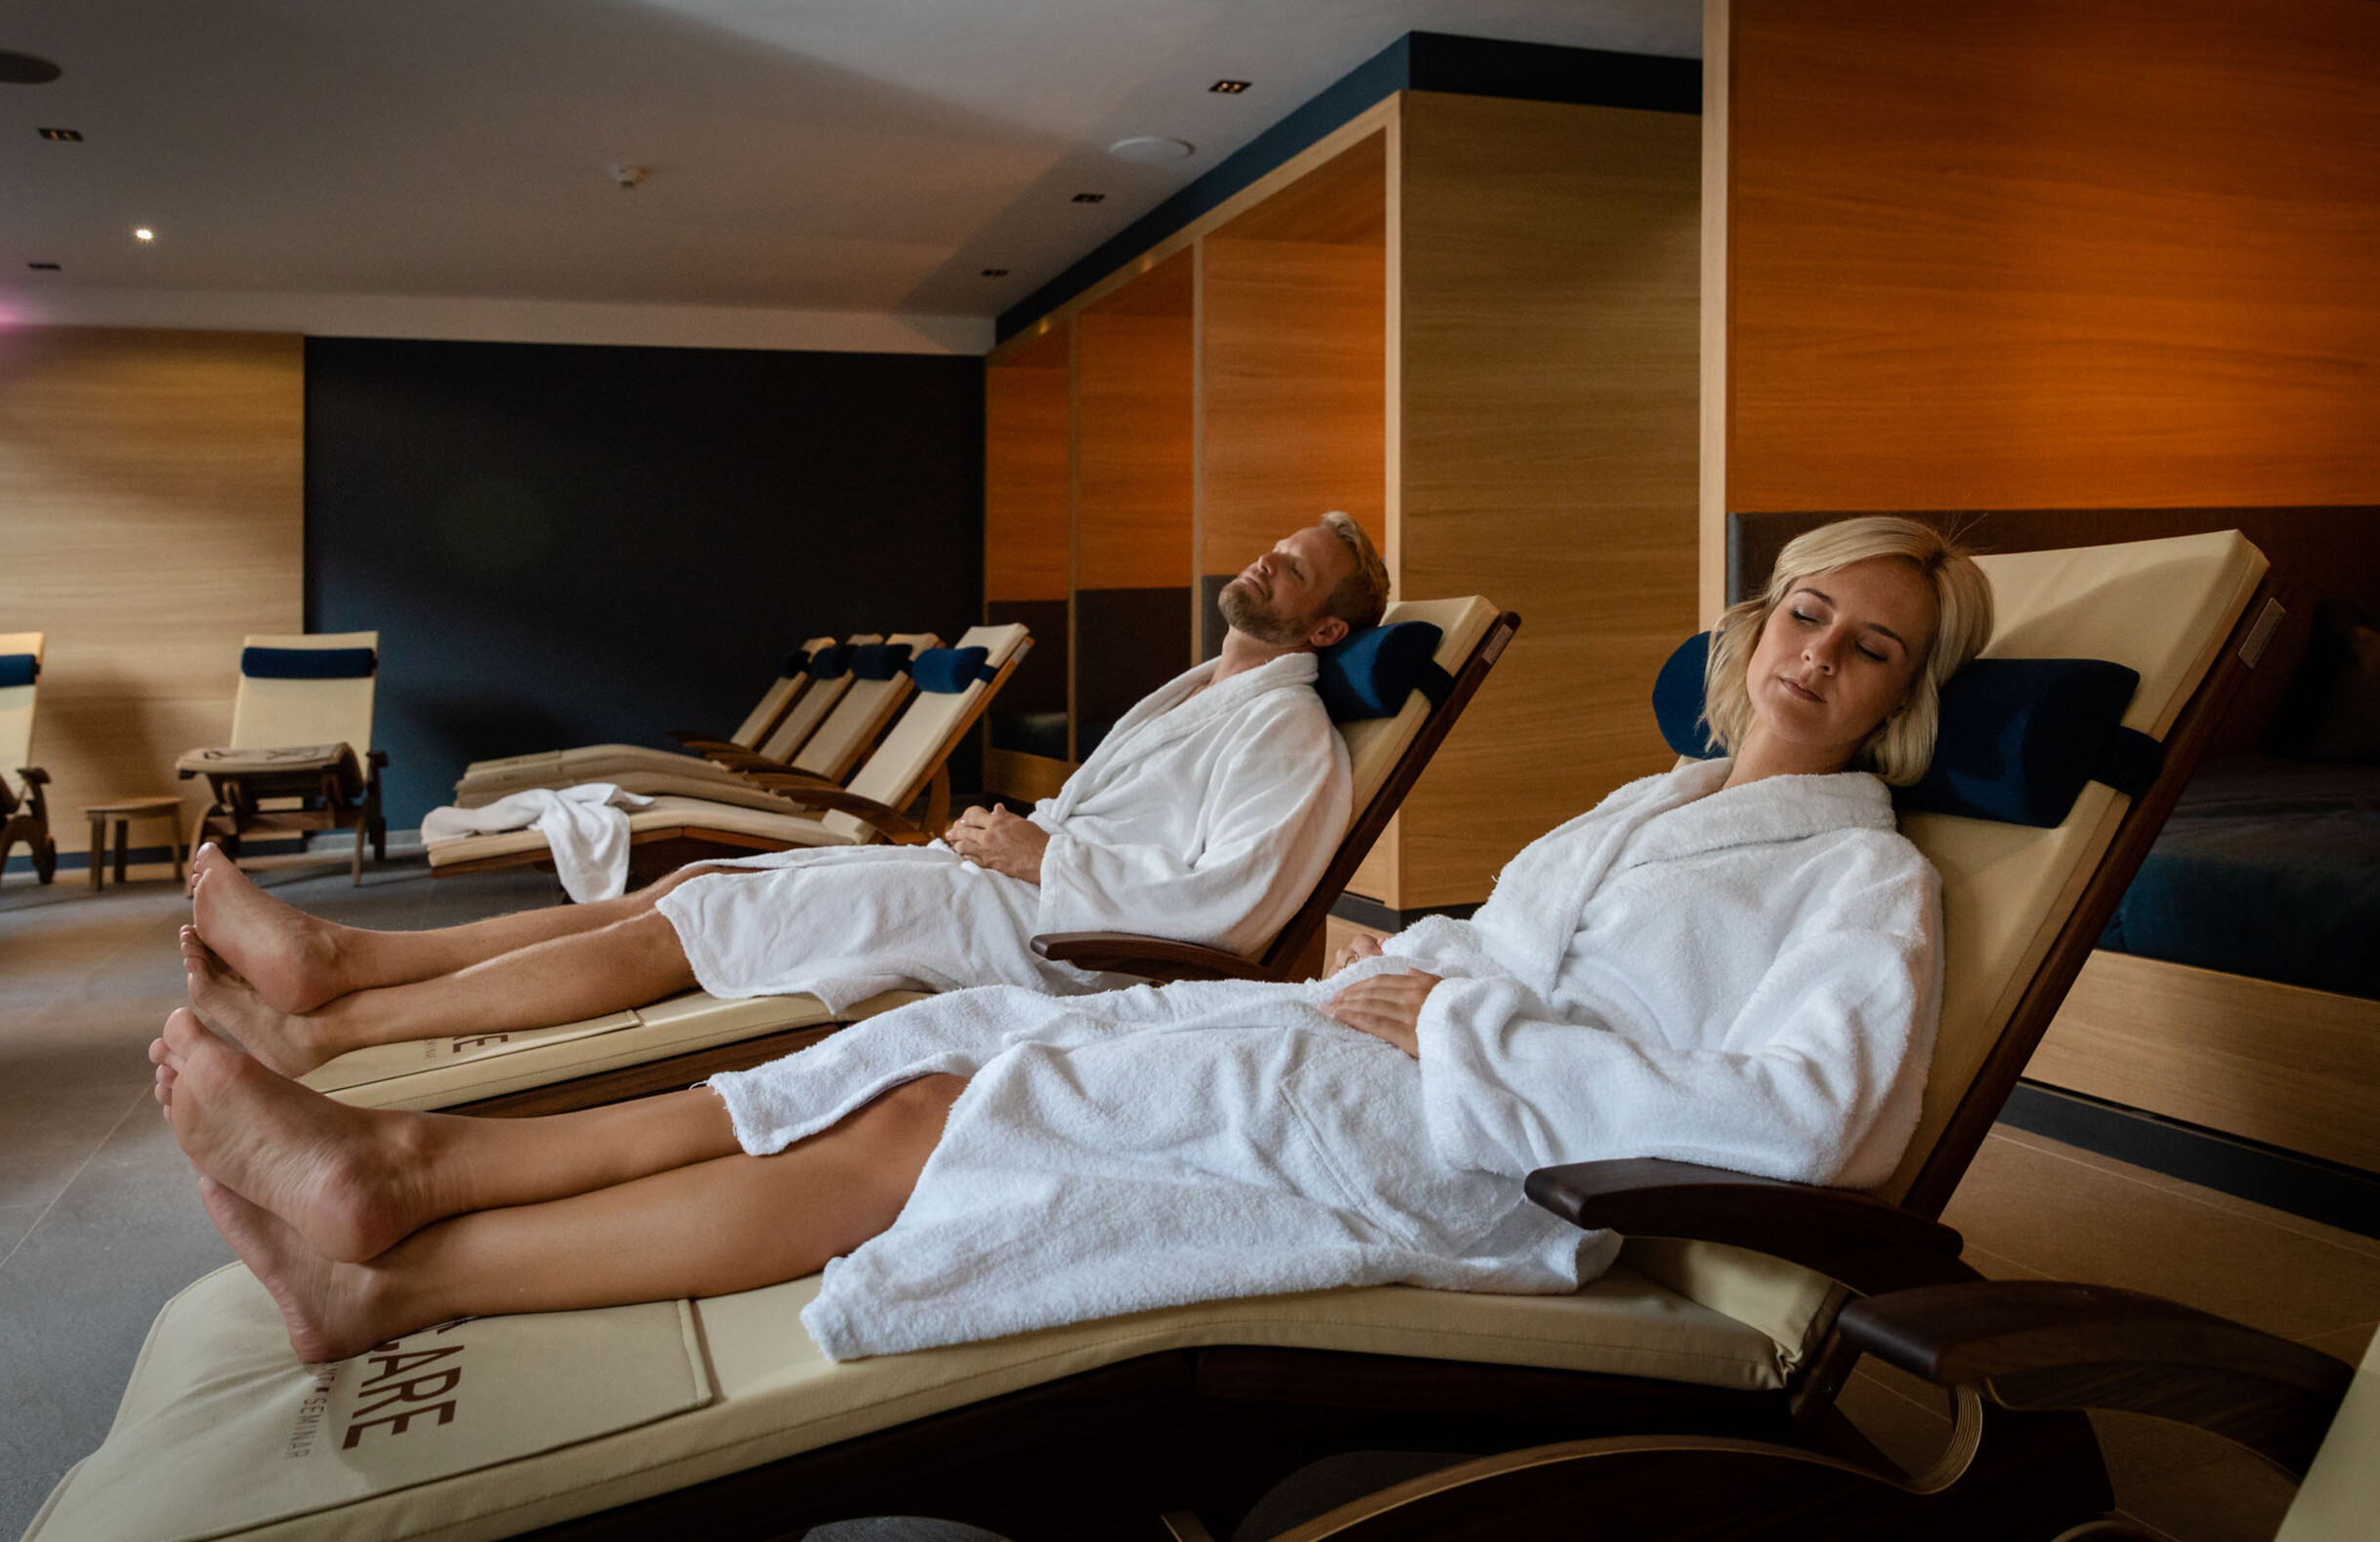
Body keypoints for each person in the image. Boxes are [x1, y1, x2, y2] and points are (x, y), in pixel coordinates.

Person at [154, 516, 1993, 1367]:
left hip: (1498, 1160)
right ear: (1750, 621)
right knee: (904, 1053)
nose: (1811, 656)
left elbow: (1810, 1130)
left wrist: (1460, 1035)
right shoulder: (1639, 808)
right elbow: (1469, 943)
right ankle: (407, 1166)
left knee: (954, 1113)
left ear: (1905, 701)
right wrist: (1404, 982)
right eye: (1802, 612)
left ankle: (402, 1265)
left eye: (1867, 647)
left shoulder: (1863, 882)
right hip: (1376, 1050)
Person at [175, 513, 1388, 1077]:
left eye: (1300, 567)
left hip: (1060, 944)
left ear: (1325, 624)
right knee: (702, 874)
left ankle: (328, 1023)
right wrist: (1018, 840)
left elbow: (1226, 922)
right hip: (1004, 886)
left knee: (698, 921)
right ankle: (345, 955)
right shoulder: (1193, 694)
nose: (1268, 555)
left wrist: (1040, 860)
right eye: (1276, 541)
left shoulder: (1286, 731)